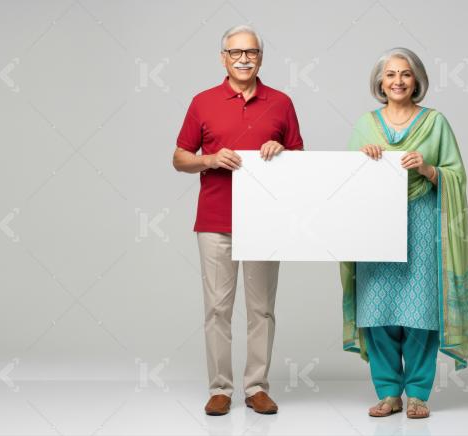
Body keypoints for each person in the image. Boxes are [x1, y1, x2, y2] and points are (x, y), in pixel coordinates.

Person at [173, 24, 304, 416]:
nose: (243, 58)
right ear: (223, 58)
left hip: (267, 221)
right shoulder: (202, 102)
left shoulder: (280, 102)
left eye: (251, 52)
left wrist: (281, 150)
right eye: (235, 52)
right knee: (217, 308)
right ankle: (220, 388)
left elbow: (301, 159)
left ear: (260, 57)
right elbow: (179, 157)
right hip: (216, 219)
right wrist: (210, 159)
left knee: (262, 309)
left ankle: (257, 386)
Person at [339, 47, 468, 419]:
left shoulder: (436, 123)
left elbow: (457, 175)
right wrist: (362, 161)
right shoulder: (365, 125)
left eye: (406, 74)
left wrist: (430, 169)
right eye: (391, 75)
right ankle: (387, 393)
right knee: (377, 307)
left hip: (422, 222)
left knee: (421, 310)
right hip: (374, 226)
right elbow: (343, 184)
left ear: (417, 81)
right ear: (379, 82)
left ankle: (417, 393)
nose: (398, 81)